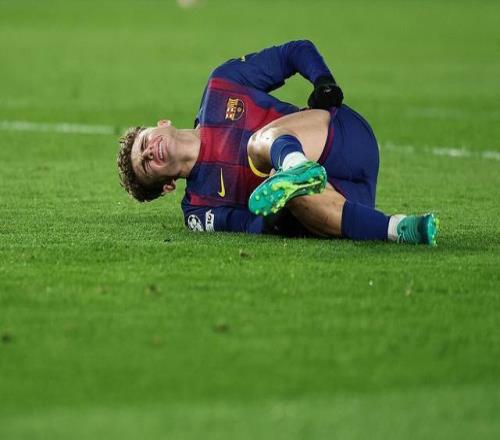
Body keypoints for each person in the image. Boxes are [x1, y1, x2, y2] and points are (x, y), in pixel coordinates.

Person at [117, 40, 438, 244]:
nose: (149, 152)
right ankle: (401, 228)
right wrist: (276, 215)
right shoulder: (198, 211)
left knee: (259, 147)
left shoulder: (221, 84)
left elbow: (294, 51)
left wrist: (323, 83)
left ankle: (295, 167)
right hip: (341, 202)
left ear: (162, 123)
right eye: (146, 164)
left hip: (342, 138)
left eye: (144, 142)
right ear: (167, 186)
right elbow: (251, 226)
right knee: (284, 191)